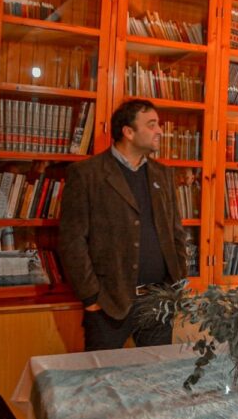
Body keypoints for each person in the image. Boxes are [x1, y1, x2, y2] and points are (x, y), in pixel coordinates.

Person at [59, 99, 188, 351]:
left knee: (158, 380)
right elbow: (72, 240)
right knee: (103, 381)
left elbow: (176, 232)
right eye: (151, 125)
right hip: (109, 304)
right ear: (128, 132)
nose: (160, 131)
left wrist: (178, 282)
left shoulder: (164, 174)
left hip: (159, 301)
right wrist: (92, 297)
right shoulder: (87, 174)